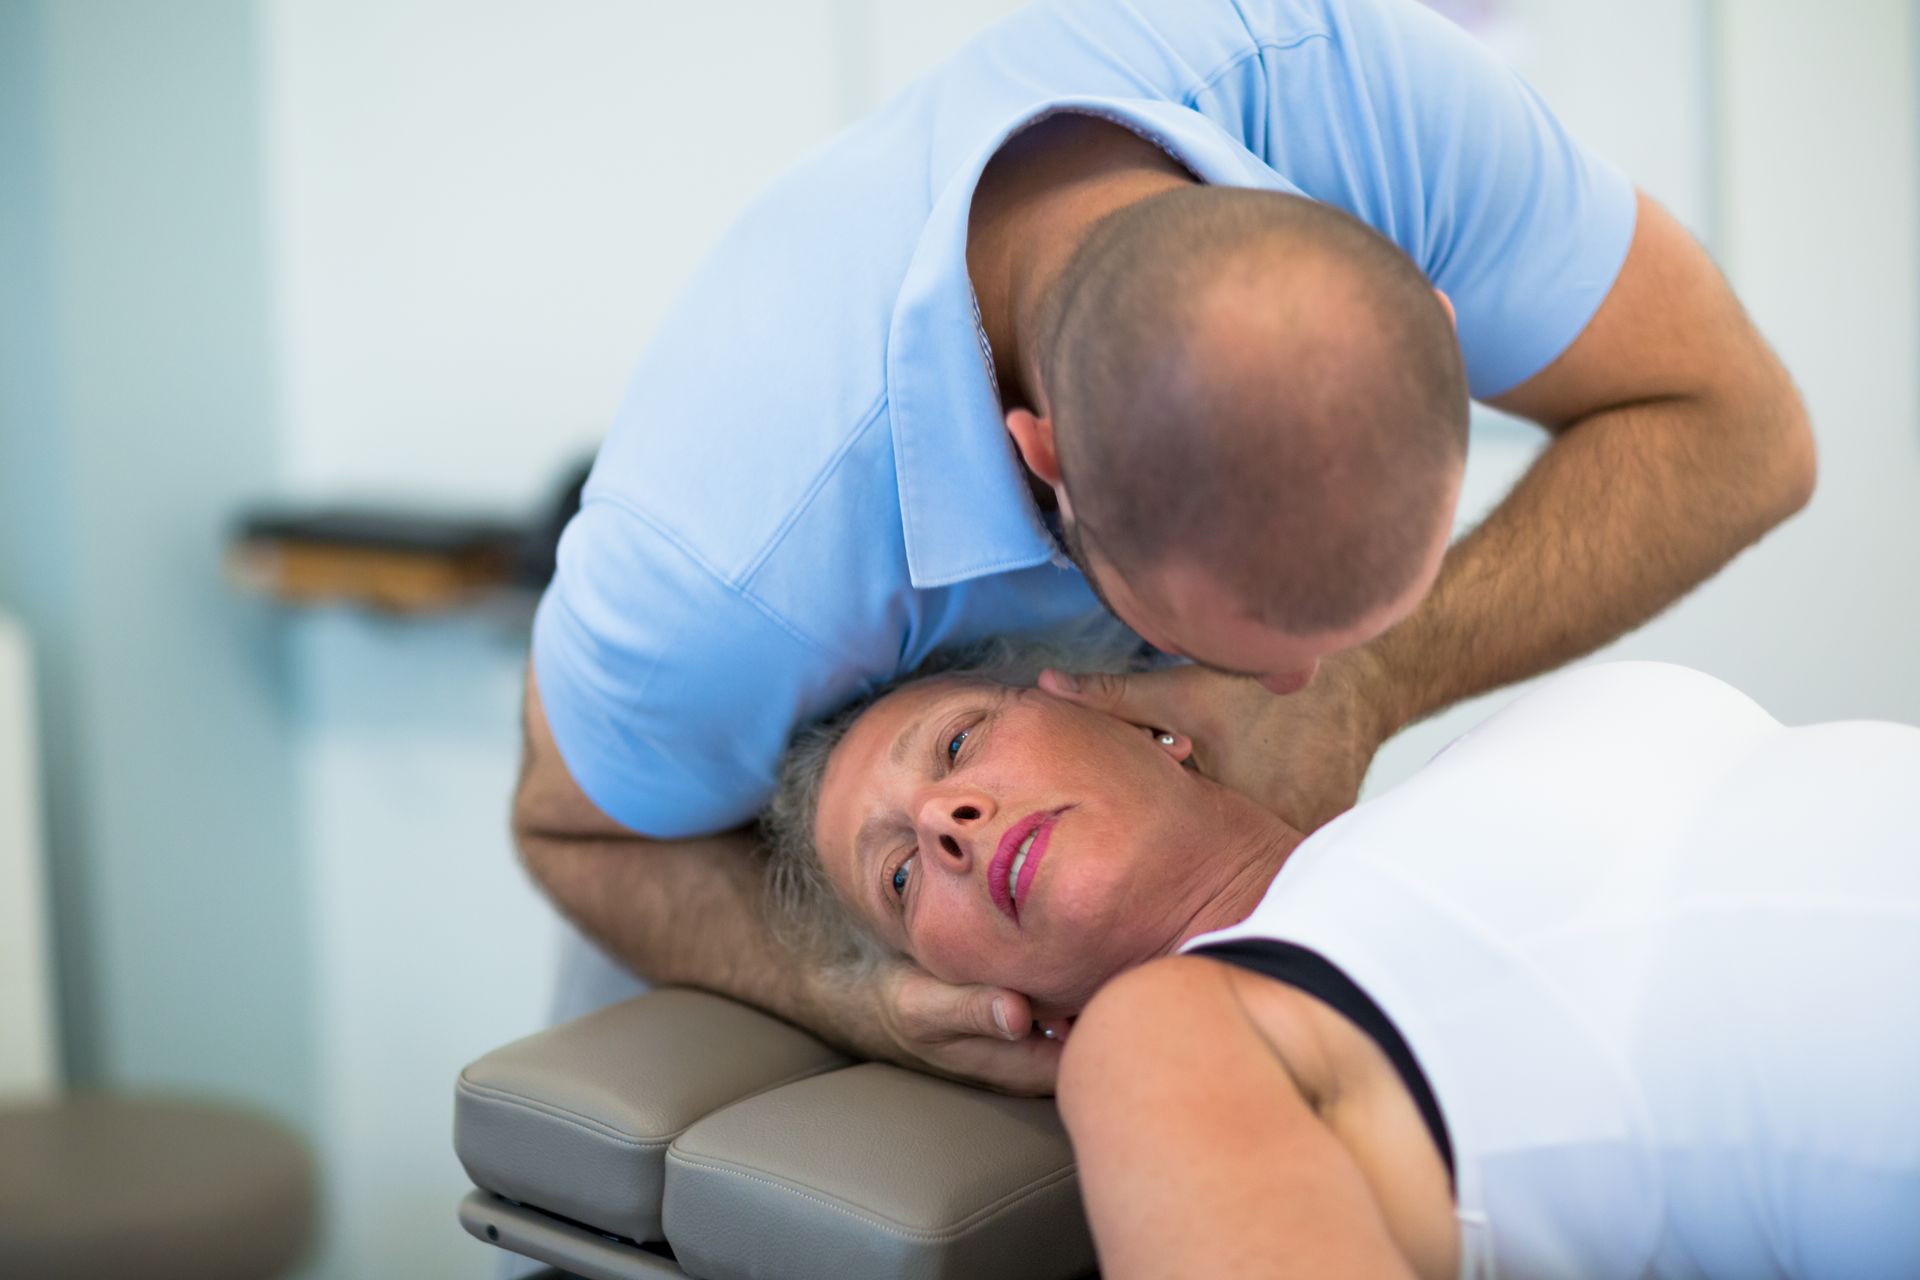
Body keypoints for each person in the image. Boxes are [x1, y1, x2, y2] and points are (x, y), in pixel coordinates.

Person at [515, 0, 1815, 1093]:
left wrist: (1383, 678)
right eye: (1243, 643)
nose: (1302, 687)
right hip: (715, 886)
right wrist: (854, 997)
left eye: (1353, 621)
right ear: (1047, 466)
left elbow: (1741, 430)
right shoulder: (722, 559)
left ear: (1428, 307)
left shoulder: (1369, 94)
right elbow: (578, 833)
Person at [777, 657, 1920, 1279]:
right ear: (995, 1005)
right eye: (898, 878)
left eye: (960, 741)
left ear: (1141, 721)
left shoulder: (1465, 766)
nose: (944, 816)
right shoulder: (1174, 1036)